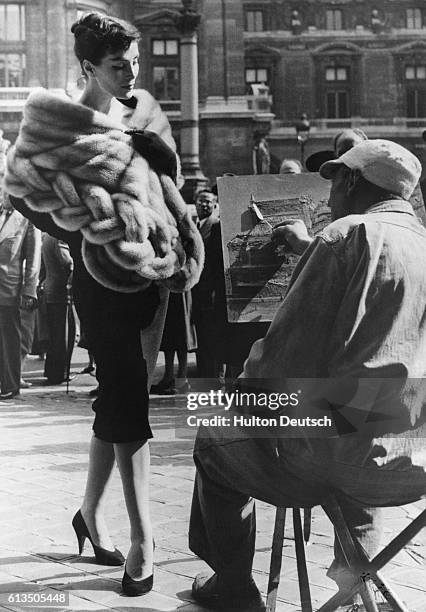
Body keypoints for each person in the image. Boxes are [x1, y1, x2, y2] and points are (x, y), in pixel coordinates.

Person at [4, 12, 203, 597]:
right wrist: (84, 228)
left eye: (136, 62)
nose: (132, 73)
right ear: (89, 66)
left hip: (152, 279)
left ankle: (90, 516)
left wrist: (163, 165)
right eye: (119, 65)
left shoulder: (144, 111)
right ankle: (143, 542)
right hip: (100, 285)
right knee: (129, 401)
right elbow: (21, 187)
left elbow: (172, 190)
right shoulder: (57, 120)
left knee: (117, 397)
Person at [188, 139, 426, 609]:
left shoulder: (345, 236)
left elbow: (281, 362)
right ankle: (353, 587)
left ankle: (234, 587)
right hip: (413, 461)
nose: (327, 195)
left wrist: (242, 394)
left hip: (337, 460)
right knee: (365, 414)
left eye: (334, 179)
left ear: (353, 181)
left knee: (212, 431)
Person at [0, 193, 41, 399]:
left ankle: (10, 385)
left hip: (9, 289)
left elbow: (34, 258)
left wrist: (29, 289)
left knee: (9, 339)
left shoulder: (26, 220)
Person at [41, 234, 75, 385]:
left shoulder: (47, 236)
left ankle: (52, 371)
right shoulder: (59, 237)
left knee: (55, 335)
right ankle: (60, 373)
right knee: (64, 335)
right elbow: (67, 263)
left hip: (51, 288)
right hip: (60, 291)